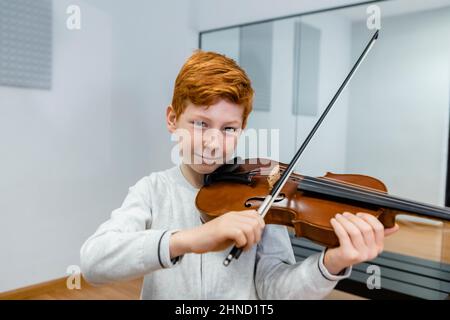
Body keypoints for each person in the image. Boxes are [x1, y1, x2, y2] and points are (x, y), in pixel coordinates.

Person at [80, 50, 399, 299]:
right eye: (200, 123)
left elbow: (277, 290)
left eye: (228, 128)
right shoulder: (152, 191)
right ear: (172, 118)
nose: (213, 141)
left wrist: (330, 264)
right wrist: (190, 240)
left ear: (242, 129)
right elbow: (93, 262)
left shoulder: (262, 195)